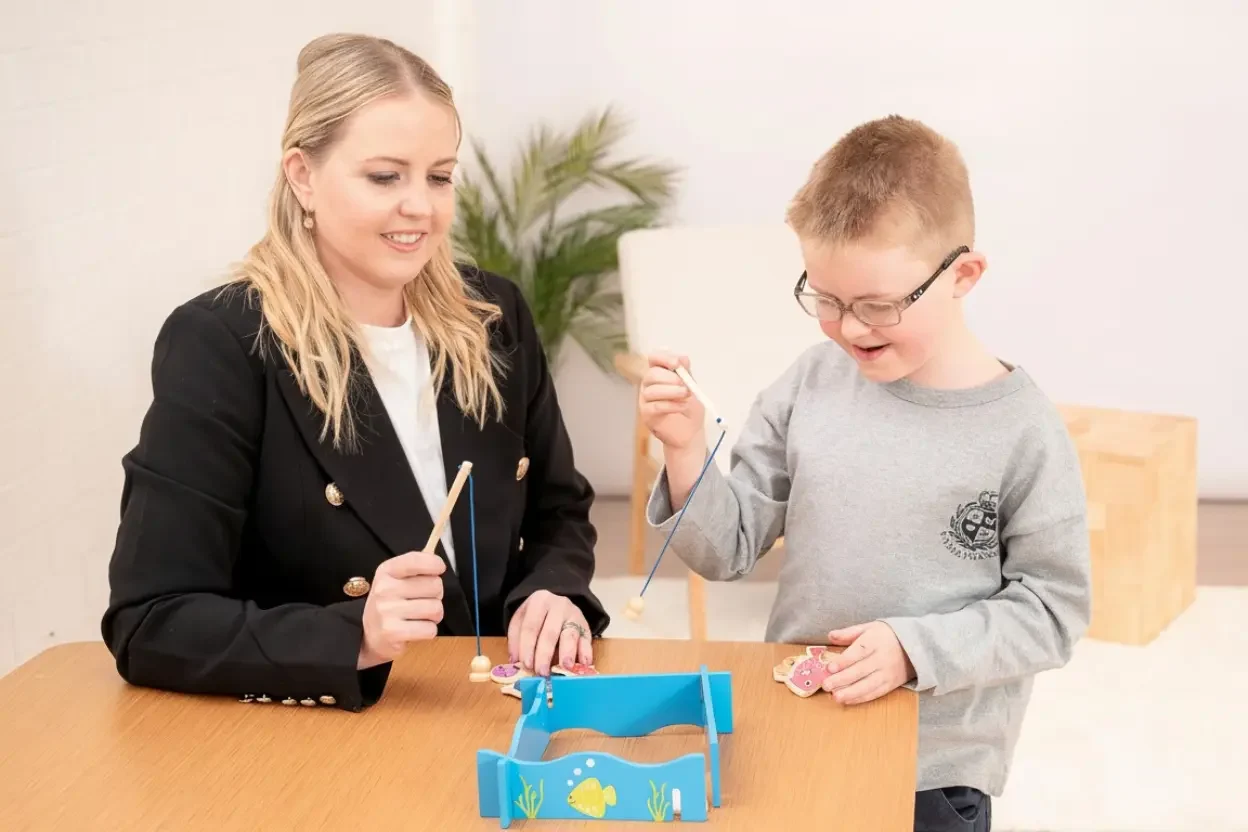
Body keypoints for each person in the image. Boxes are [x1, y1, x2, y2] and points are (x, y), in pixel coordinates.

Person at [101, 33, 607, 712]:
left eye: (439, 175)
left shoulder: (494, 313)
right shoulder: (221, 343)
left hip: (490, 713)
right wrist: (354, 636)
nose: (421, 208)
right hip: (324, 746)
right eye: (384, 176)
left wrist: (553, 591)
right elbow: (149, 622)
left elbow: (559, 510)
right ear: (302, 175)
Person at [639, 116, 1090, 831]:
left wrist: (916, 650)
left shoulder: (1021, 430)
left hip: (934, 770)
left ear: (963, 274)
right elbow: (726, 550)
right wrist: (687, 453)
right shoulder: (810, 384)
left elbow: (1053, 613)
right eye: (826, 299)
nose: (850, 329)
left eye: (879, 305)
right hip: (797, 723)